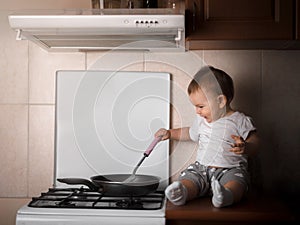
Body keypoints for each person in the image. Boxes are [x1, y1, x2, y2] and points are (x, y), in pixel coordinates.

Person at [155, 66, 259, 208]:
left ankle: (226, 195)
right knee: (189, 178)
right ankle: (182, 192)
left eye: (201, 106)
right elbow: (188, 133)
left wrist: (246, 147)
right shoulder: (201, 121)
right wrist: (170, 133)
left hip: (230, 169)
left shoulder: (240, 120)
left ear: (221, 101)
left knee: (237, 183)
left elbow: (255, 141)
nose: (197, 111)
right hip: (201, 169)